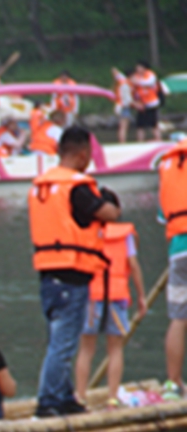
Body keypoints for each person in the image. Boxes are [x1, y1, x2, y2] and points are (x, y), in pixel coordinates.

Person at [28, 127, 121, 418]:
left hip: (48, 273)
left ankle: (65, 395)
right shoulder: (77, 187)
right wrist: (109, 198)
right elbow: (109, 214)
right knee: (63, 342)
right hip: (71, 274)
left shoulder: (42, 186)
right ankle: (49, 401)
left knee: (60, 338)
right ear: (82, 154)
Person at [75, 222, 144, 404]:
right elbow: (133, 265)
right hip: (117, 297)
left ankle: (80, 396)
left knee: (86, 350)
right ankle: (112, 398)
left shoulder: (86, 231)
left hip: (91, 298)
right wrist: (141, 297)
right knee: (115, 349)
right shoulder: (125, 235)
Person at [159, 138, 187, 398]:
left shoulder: (168, 163)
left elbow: (162, 216)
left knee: (178, 318)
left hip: (178, 247)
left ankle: (173, 383)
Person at [129, 61, 162, 143]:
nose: (138, 69)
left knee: (153, 123)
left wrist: (137, 82)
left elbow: (149, 83)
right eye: (137, 67)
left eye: (139, 67)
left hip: (151, 103)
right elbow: (131, 85)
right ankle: (140, 141)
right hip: (141, 103)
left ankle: (158, 139)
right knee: (140, 124)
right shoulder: (136, 76)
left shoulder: (150, 74)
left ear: (144, 68)